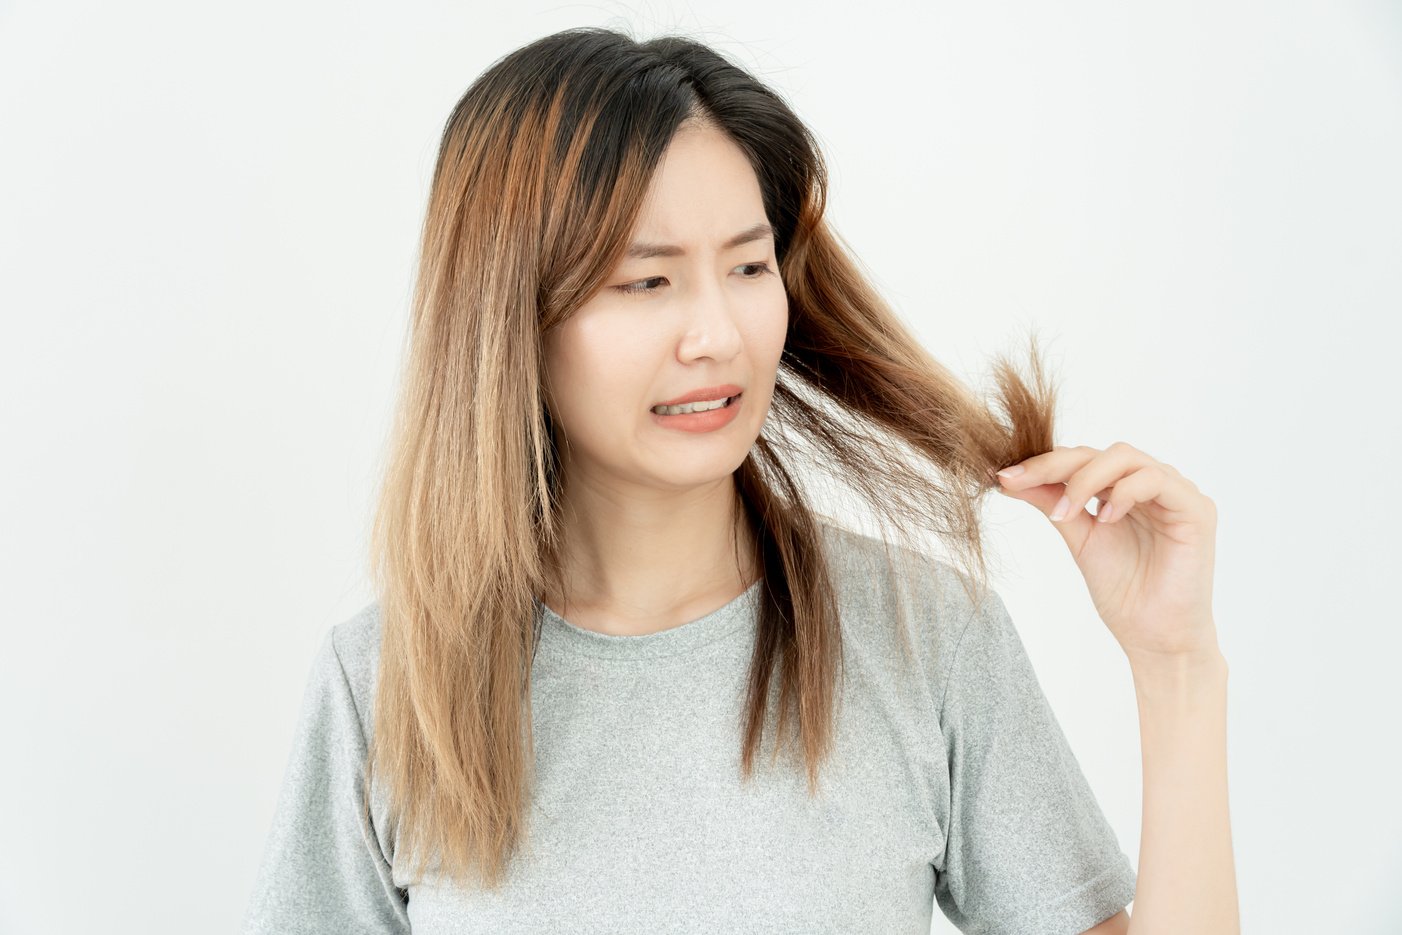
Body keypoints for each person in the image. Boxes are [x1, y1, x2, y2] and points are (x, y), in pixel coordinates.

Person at [243, 25, 1238, 935]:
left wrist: (1176, 667)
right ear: (511, 317)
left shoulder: (922, 633)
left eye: (750, 267)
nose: (717, 335)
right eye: (647, 280)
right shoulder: (384, 685)